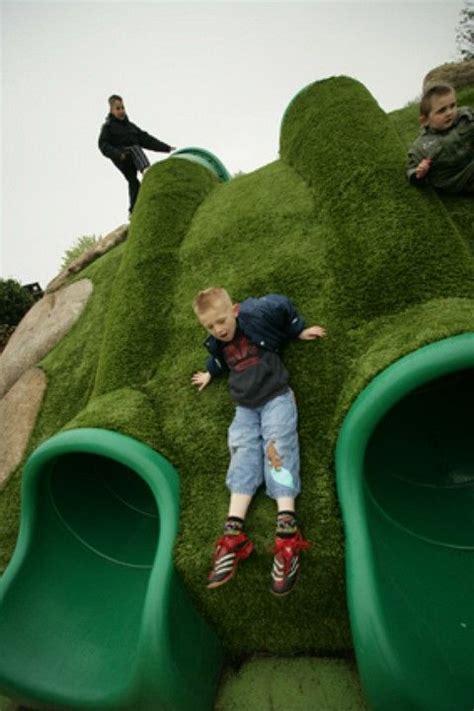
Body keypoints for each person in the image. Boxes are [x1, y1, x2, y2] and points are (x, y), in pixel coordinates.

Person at [191, 287, 326, 596]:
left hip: (276, 398)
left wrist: (298, 329)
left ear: (235, 310)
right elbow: (218, 359)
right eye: (210, 326)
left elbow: (282, 304)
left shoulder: (257, 314)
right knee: (242, 453)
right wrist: (210, 374)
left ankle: (287, 532)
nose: (219, 330)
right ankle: (233, 534)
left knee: (277, 448)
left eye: (222, 321)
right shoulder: (216, 343)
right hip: (245, 408)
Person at [98, 94, 176, 216]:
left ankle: (133, 211)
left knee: (134, 182)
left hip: (133, 158)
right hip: (122, 157)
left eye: (123, 108)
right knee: (135, 148)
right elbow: (103, 145)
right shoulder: (108, 127)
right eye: (118, 109)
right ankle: (146, 170)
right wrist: (117, 154)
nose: (121, 111)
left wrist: (166, 148)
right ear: (111, 110)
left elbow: (147, 139)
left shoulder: (131, 127)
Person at [406, 82, 474, 194]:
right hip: (457, 179)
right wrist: (418, 172)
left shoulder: (464, 116)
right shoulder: (422, 146)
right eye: (441, 110)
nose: (449, 113)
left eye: (452, 106)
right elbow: (411, 169)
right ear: (425, 120)